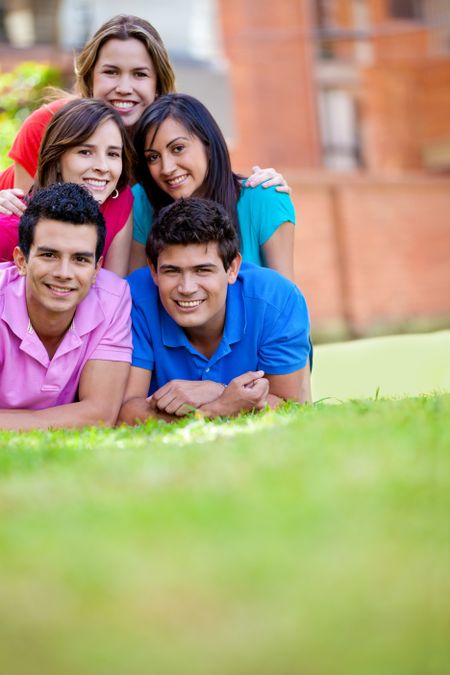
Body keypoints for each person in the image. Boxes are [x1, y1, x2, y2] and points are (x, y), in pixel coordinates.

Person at [0, 14, 289, 215]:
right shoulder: (47, 124)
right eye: (111, 72)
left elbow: (207, 182)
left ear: (157, 85)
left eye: (139, 74)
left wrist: (262, 184)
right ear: (90, 77)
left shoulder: (165, 137)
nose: (124, 88)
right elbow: (21, 225)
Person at [119, 198, 311, 425]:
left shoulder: (277, 299)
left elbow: (290, 406)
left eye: (202, 270)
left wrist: (215, 391)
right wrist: (217, 408)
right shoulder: (135, 299)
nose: (186, 288)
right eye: (172, 271)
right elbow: (126, 411)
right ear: (153, 270)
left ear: (232, 268)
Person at [0, 182, 132, 431]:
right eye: (49, 255)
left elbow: (99, 415)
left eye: (80, 259)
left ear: (96, 269)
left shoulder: (113, 297)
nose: (64, 273)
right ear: (21, 261)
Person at [130, 94, 296, 279]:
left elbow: (284, 300)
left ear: (208, 145)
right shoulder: (141, 201)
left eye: (178, 148)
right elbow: (134, 295)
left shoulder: (265, 199)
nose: (167, 168)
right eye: (153, 157)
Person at [0, 98, 134, 276]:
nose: (103, 167)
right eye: (85, 152)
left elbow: (114, 286)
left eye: (113, 154)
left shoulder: (121, 199)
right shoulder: (11, 224)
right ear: (57, 160)